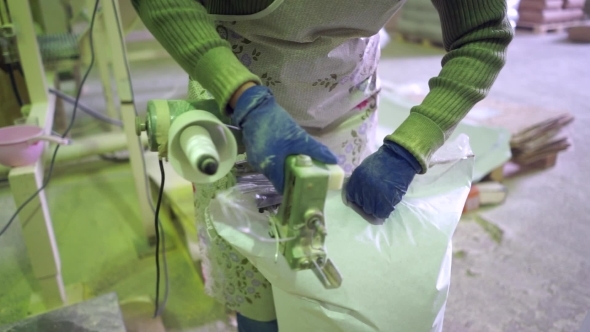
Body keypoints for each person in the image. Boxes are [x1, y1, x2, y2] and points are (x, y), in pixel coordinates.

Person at [132, 0, 513, 330]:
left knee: (332, 256)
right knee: (254, 276)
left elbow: (482, 33)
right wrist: (243, 98)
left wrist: (411, 145)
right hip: (234, 108)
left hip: (345, 101)